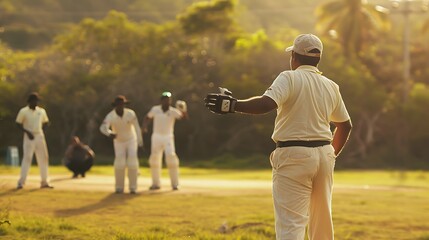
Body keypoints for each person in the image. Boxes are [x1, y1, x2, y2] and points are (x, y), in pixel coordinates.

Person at [204, 34, 352, 240]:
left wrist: (231, 105)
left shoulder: (289, 77)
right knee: (322, 225)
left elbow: (266, 104)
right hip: (325, 155)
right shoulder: (330, 85)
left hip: (294, 155)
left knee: (291, 226)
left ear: (294, 57)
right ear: (318, 58)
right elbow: (345, 126)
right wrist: (330, 155)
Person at [142, 92, 188, 191]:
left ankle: (175, 184)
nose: (167, 101)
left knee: (171, 157)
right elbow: (147, 117)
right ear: (161, 100)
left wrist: (183, 110)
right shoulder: (155, 109)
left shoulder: (173, 111)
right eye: (165, 99)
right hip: (156, 136)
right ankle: (155, 184)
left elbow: (184, 118)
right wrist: (144, 127)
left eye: (169, 99)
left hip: (168, 137)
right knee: (155, 159)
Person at [100, 95, 143, 194]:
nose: (121, 106)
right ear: (115, 105)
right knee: (120, 163)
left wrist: (140, 142)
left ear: (124, 105)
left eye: (122, 104)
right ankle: (119, 187)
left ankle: (133, 187)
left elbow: (136, 127)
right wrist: (109, 133)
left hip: (131, 139)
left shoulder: (131, 114)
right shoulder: (111, 116)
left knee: (132, 161)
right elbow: (103, 127)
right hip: (119, 141)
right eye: (119, 105)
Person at [16, 92, 53, 189]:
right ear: (30, 101)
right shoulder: (23, 111)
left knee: (43, 158)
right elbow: (18, 124)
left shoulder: (41, 111)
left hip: (39, 135)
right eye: (34, 101)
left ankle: (44, 182)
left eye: (37, 101)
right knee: (27, 158)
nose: (36, 103)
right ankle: (21, 182)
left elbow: (46, 122)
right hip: (29, 136)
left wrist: (41, 132)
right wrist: (27, 132)